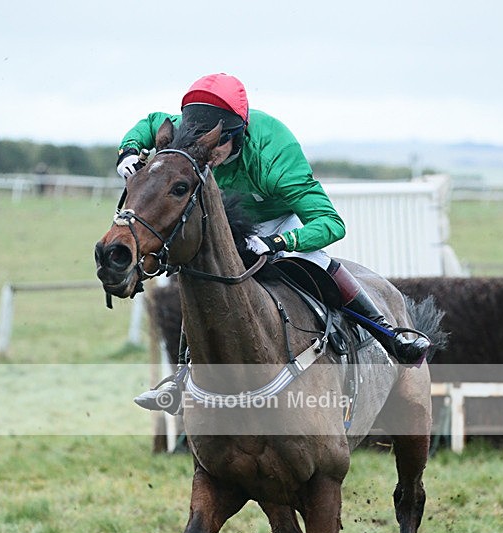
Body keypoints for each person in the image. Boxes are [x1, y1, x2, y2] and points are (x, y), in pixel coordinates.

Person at [117, 74, 430, 411]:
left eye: (215, 147)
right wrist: (128, 151)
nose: (207, 154)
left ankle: (387, 334)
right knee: (201, 281)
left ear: (238, 137)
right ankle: (180, 380)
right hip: (230, 222)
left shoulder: (275, 156)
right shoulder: (196, 131)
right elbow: (150, 124)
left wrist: (278, 242)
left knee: (317, 263)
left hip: (280, 221)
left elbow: (331, 223)